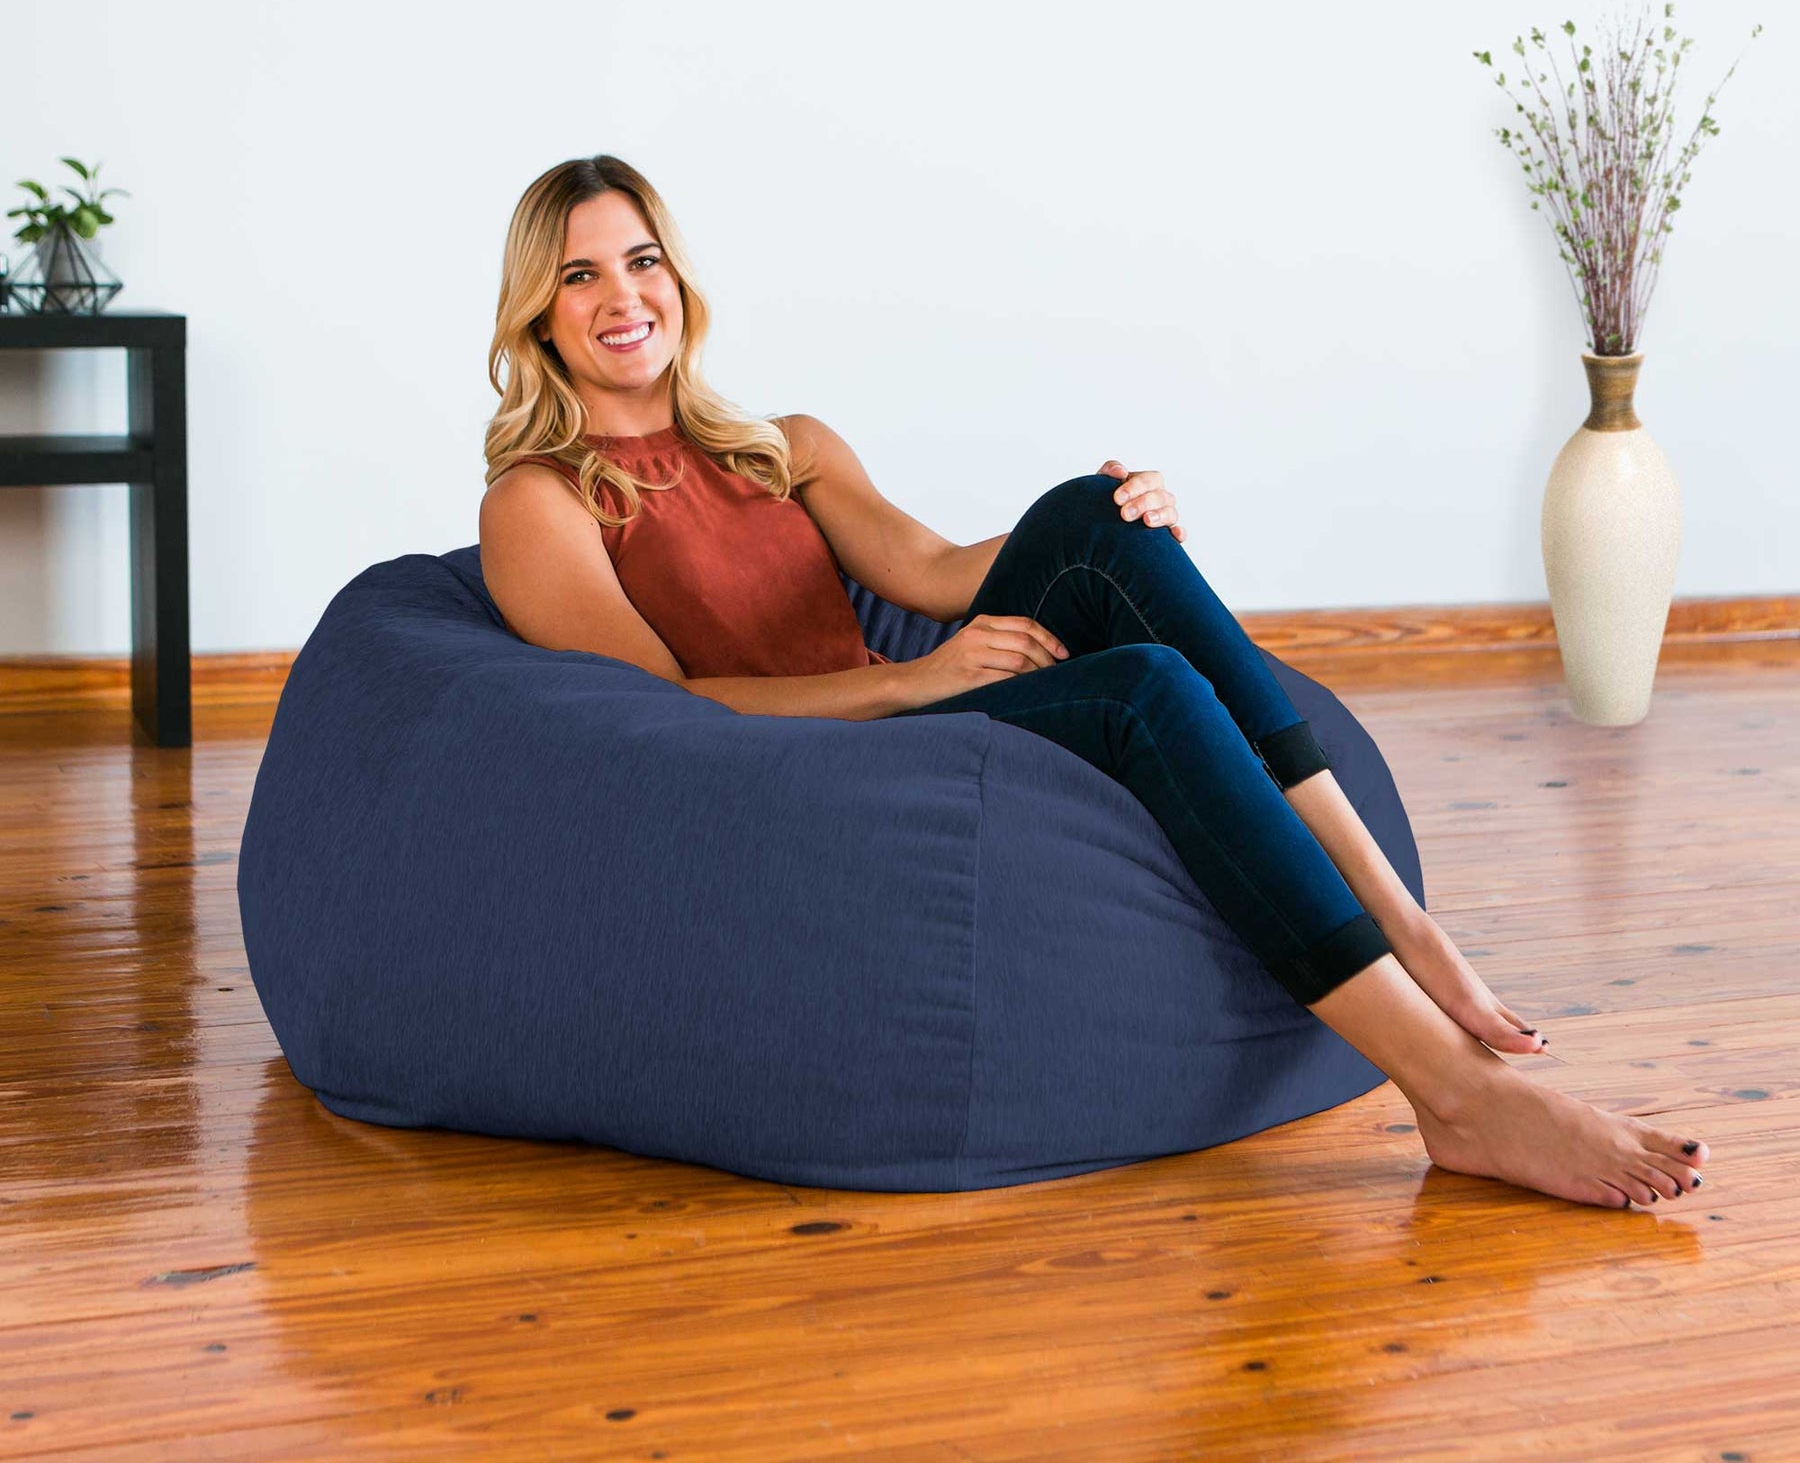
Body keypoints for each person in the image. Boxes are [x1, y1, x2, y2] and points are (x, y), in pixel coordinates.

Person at [479, 154, 1710, 1213]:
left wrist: (1125, 522)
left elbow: (936, 573)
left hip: (902, 716)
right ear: (539, 314)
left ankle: (1398, 916)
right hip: (815, 769)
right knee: (1142, 693)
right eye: (581, 276)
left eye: (642, 260)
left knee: (1091, 515)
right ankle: (1454, 1094)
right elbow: (657, 715)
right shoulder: (540, 501)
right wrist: (909, 689)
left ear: (678, 278)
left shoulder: (781, 447)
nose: (623, 296)